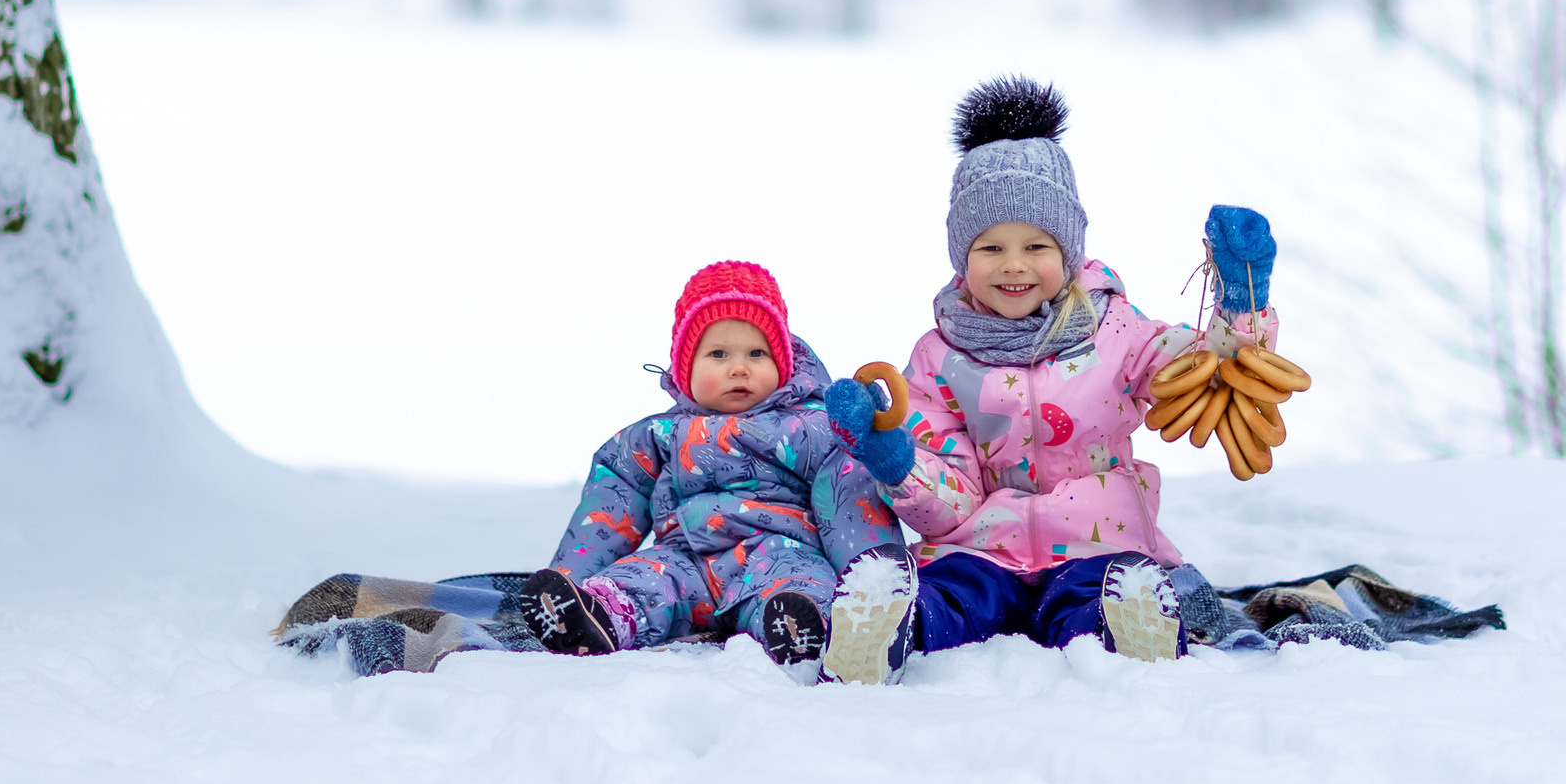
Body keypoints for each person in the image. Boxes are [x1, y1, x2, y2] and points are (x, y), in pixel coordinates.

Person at [872, 76, 1282, 661]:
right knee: (953, 595)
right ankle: (891, 631)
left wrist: (1242, 301)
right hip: (982, 548)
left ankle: (1130, 626)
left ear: (1068, 250)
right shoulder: (938, 357)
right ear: (962, 257)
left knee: (1094, 602)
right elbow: (953, 498)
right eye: (990, 248)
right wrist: (900, 466)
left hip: (1100, 546)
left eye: (1036, 247)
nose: (1014, 266)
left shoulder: (1113, 328)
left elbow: (1205, 370)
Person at [523, 260, 922, 683]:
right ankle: (595, 614)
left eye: (757, 353)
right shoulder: (657, 434)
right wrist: (571, 576)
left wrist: (867, 573)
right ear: (685, 368)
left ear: (783, 362)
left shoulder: (809, 427)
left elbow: (847, 493)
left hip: (776, 552)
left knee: (800, 584)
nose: (739, 368)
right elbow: (612, 500)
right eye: (718, 354)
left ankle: (805, 630)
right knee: (645, 578)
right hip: (684, 559)